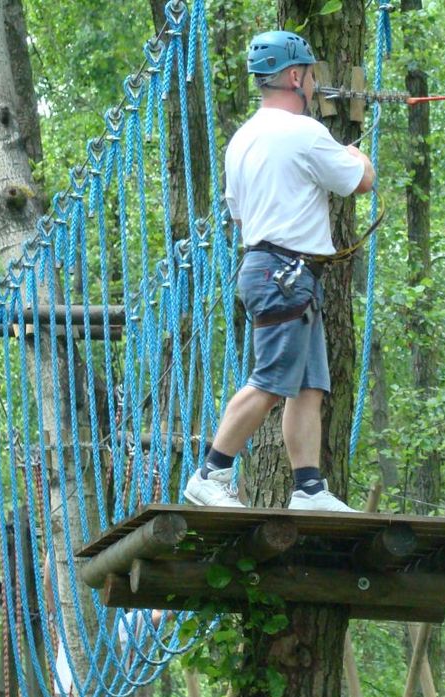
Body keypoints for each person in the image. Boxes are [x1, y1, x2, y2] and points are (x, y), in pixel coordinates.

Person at [185, 30, 375, 511]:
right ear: (295, 77)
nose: (313, 84)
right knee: (270, 381)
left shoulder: (241, 140)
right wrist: (356, 151)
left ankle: (309, 488)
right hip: (286, 273)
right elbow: (362, 181)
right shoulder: (305, 133)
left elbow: (240, 216)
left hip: (271, 267)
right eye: (310, 74)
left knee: (308, 385)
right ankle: (211, 472)